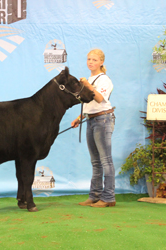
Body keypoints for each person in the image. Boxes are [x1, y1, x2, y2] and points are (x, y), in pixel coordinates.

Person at [71, 48, 116, 208]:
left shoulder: (104, 79)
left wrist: (86, 84)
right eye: (89, 59)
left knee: (105, 160)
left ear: (101, 62)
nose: (91, 62)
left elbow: (98, 98)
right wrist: (79, 118)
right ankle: (95, 195)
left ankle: (109, 197)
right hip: (91, 120)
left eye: (94, 60)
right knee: (95, 161)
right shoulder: (90, 79)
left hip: (103, 120)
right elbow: (89, 105)